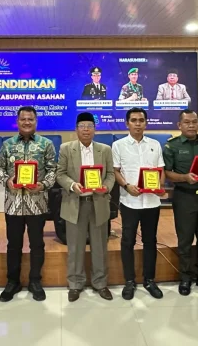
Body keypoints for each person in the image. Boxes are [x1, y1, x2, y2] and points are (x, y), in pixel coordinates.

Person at [0, 106, 57, 302]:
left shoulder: (46, 144)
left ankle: (35, 281)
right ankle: (12, 282)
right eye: (23, 119)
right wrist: (7, 181)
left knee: (37, 244)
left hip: (37, 204)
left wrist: (43, 185)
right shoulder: (7, 145)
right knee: (13, 245)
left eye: (30, 119)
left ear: (36, 121)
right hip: (13, 204)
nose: (27, 122)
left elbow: (52, 170)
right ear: (17, 122)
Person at [56, 112, 116, 302]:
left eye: (90, 126)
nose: (86, 130)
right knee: (75, 247)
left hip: (98, 203)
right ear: (76, 129)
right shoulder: (66, 148)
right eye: (82, 126)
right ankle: (75, 284)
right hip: (75, 203)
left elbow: (111, 174)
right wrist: (72, 185)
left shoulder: (105, 150)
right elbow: (60, 174)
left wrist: (106, 186)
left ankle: (100, 283)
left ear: (95, 129)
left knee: (100, 247)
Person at [163, 110, 198, 297]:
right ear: (179, 125)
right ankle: (185, 278)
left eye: (194, 122)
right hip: (184, 196)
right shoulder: (172, 146)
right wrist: (184, 178)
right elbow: (167, 173)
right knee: (185, 240)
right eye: (187, 122)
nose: (191, 125)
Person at [112, 107, 166, 300]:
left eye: (141, 120)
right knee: (128, 241)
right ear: (127, 123)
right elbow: (115, 171)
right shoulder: (118, 145)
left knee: (150, 241)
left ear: (146, 123)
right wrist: (126, 186)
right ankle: (129, 281)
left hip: (151, 202)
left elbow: (161, 170)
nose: (137, 124)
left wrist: (159, 186)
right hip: (130, 202)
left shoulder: (155, 144)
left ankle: (149, 280)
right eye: (133, 120)